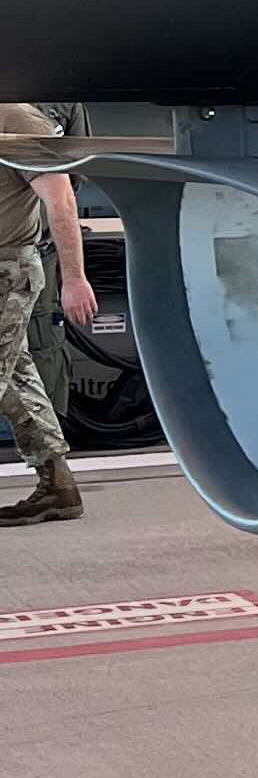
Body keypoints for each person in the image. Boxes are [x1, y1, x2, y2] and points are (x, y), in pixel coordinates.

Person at [0, 103, 97, 525]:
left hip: (6, 270)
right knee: (17, 380)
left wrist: (74, 278)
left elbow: (61, 200)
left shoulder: (17, 121)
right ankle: (57, 486)